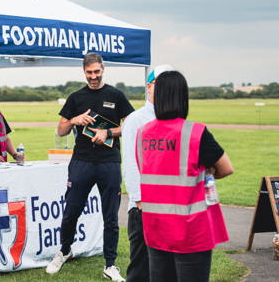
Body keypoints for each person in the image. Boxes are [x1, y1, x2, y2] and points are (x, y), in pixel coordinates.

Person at [136, 71, 234, 282]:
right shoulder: (195, 132)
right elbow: (226, 168)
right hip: (190, 229)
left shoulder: (143, 133)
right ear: (183, 97)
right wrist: (206, 173)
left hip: (156, 227)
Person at [46, 52, 134, 282]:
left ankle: (110, 265)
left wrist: (109, 132)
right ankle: (65, 251)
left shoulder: (116, 95)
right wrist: (74, 120)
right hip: (82, 162)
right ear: (84, 72)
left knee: (110, 217)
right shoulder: (76, 97)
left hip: (109, 162)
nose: (93, 76)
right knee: (70, 212)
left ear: (103, 69)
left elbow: (131, 126)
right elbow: (61, 130)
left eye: (97, 72)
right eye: (89, 73)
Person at [121, 64, 174, 282]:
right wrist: (140, 200)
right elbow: (131, 164)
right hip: (145, 208)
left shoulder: (173, 119)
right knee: (142, 269)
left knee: (167, 269)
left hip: (170, 206)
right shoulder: (136, 119)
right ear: (149, 87)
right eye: (158, 85)